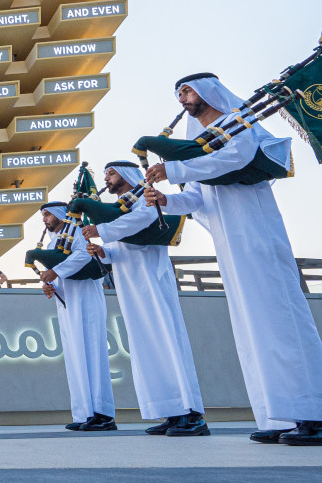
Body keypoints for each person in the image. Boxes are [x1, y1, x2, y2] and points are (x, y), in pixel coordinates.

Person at [146, 74, 322, 446]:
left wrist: (174, 168)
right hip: (230, 245)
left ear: (209, 91)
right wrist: (166, 200)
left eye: (188, 90)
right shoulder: (200, 146)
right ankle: (281, 415)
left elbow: (235, 159)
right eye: (178, 93)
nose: (182, 97)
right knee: (252, 328)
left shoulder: (237, 122)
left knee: (282, 318)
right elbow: (196, 197)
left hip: (257, 233)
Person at [81, 162, 207, 436]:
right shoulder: (118, 210)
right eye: (106, 174)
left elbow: (141, 221)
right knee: (145, 346)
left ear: (127, 175)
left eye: (111, 173)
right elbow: (117, 249)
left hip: (152, 279)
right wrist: (103, 252)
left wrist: (101, 230)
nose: (106, 178)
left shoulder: (144, 198)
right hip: (130, 285)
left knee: (168, 341)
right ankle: (171, 411)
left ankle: (192, 414)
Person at [36, 199, 115, 432]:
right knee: (75, 358)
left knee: (92, 354)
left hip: (86, 301)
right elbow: (55, 274)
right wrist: (50, 286)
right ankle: (84, 413)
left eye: (48, 214)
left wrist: (55, 271)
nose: (45, 219)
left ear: (60, 214)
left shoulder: (77, 233)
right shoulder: (53, 243)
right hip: (67, 303)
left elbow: (84, 256)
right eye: (43, 216)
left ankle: (103, 414)